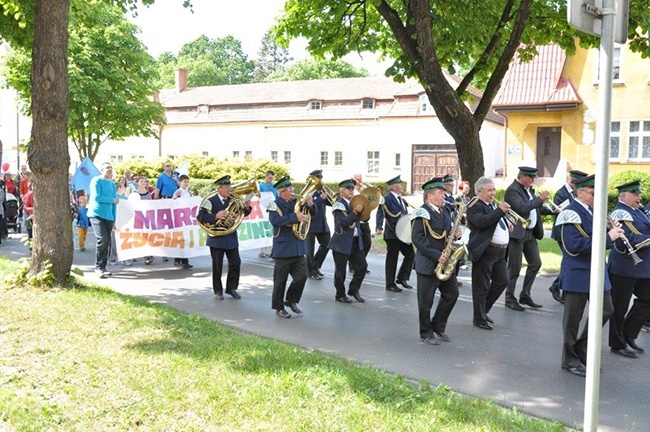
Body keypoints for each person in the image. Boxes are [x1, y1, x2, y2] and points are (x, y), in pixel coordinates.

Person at [555, 174, 624, 377]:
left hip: (597, 273)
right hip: (578, 274)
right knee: (572, 320)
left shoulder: (594, 211)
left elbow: (601, 239)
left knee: (607, 309)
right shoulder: (570, 213)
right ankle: (569, 359)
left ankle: (581, 348)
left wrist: (614, 233)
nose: (597, 197)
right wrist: (607, 238)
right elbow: (574, 247)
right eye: (593, 193)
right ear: (581, 192)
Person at [411, 177, 460, 345]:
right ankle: (426, 333)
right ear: (429, 196)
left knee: (452, 294)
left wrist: (456, 233)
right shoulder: (421, 213)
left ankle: (438, 325)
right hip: (428, 263)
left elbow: (447, 232)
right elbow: (417, 239)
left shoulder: (445, 211)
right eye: (440, 193)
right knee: (426, 302)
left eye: (443, 193)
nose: (443, 196)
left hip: (445, 262)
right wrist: (436, 254)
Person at [607, 180, 650, 358]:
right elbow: (630, 238)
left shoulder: (637, 210)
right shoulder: (620, 212)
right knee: (619, 307)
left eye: (639, 194)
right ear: (624, 196)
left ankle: (628, 333)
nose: (639, 197)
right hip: (624, 267)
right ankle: (617, 343)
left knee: (647, 298)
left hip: (643, 267)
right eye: (635, 194)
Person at [503, 166, 552, 311]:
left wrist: (552, 210)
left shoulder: (529, 190)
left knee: (536, 263)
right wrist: (540, 199)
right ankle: (509, 298)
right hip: (517, 234)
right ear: (522, 176)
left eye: (533, 178)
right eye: (530, 177)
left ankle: (525, 294)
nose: (532, 180)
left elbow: (535, 208)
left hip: (530, 234)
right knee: (515, 268)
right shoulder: (512, 190)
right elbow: (522, 208)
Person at [466, 177, 512, 330]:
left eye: (494, 189)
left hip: (499, 252)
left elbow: (494, 223)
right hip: (485, 251)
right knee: (481, 287)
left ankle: (483, 311)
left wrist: (506, 225)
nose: (493, 193)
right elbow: (482, 222)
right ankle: (479, 319)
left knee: (503, 281)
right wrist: (500, 211)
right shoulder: (474, 206)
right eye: (490, 190)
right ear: (480, 191)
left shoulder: (491, 205)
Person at [197, 175, 251, 300]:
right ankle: (218, 291)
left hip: (231, 237)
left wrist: (247, 207)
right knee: (217, 266)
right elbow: (200, 217)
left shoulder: (234, 199)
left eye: (229, 187)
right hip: (216, 238)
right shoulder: (210, 201)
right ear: (219, 188)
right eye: (226, 187)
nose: (229, 190)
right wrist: (215, 216)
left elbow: (244, 213)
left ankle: (231, 288)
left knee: (236, 263)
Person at [267, 176, 315, 318]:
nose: (293, 191)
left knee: (302, 277)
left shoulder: (297, 202)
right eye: (290, 189)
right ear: (282, 192)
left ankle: (291, 300)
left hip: (298, 247)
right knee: (280, 281)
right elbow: (275, 221)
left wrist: (310, 204)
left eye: (292, 188)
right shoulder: (274, 205)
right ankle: (279, 307)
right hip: (283, 249)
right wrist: (295, 217)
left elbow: (313, 214)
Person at [549, 170, 588, 303]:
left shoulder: (573, 193)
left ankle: (556, 285)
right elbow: (562, 212)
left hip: (575, 231)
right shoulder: (561, 193)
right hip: (563, 232)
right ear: (571, 181)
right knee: (569, 259)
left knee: (569, 260)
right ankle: (563, 288)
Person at [328, 178, 367, 303]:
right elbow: (344, 223)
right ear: (342, 191)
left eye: (352, 188)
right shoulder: (338, 205)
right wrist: (355, 212)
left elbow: (364, 219)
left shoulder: (355, 202)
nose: (351, 190)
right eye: (348, 188)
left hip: (355, 241)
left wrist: (366, 210)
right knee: (340, 272)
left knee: (362, 267)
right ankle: (340, 294)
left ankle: (354, 290)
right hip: (341, 242)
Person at [376, 175, 415, 292]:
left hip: (403, 233)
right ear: (394, 187)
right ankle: (390, 283)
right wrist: (379, 227)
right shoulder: (386, 199)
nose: (402, 186)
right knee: (392, 259)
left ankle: (402, 277)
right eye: (400, 184)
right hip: (392, 233)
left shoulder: (402, 199)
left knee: (411, 255)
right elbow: (380, 213)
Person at [87, 162, 119, 278]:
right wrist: (112, 200)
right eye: (107, 167)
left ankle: (104, 267)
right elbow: (97, 197)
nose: (109, 169)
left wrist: (114, 218)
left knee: (108, 242)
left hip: (108, 216)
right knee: (102, 239)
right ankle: (98, 267)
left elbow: (115, 202)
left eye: (111, 167)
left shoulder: (112, 184)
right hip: (96, 214)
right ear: (101, 170)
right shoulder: (96, 181)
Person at [306, 169, 331, 280]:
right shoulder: (308, 192)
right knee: (309, 250)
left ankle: (315, 266)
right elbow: (310, 206)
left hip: (322, 224)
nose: (321, 181)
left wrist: (332, 197)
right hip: (310, 224)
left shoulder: (321, 191)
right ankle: (311, 271)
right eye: (319, 179)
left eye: (321, 178)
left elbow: (330, 203)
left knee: (327, 244)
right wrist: (321, 199)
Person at [170, 174, 194, 269]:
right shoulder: (179, 191)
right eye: (184, 182)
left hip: (187, 217)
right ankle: (183, 260)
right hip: (180, 218)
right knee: (182, 238)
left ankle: (180, 259)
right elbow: (174, 198)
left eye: (187, 182)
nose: (186, 183)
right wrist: (175, 198)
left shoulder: (189, 192)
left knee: (185, 238)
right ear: (180, 182)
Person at [351, 173, 372, 274]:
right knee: (357, 245)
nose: (360, 181)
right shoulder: (352, 192)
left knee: (367, 243)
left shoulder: (363, 191)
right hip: (357, 221)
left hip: (365, 221)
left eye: (361, 179)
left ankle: (359, 263)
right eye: (358, 180)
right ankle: (355, 264)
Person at [258, 170, 277, 258]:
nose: (271, 180)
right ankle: (263, 250)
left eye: (272, 178)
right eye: (269, 178)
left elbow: (276, 197)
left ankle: (271, 251)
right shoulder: (261, 185)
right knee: (263, 229)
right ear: (266, 177)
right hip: (262, 209)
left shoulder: (274, 186)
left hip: (271, 209)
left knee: (270, 230)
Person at [136, 177, 155, 265]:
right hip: (139, 217)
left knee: (149, 236)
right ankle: (145, 255)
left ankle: (149, 254)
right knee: (142, 236)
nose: (143, 183)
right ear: (138, 183)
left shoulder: (149, 194)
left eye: (145, 182)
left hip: (147, 217)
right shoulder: (135, 194)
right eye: (141, 181)